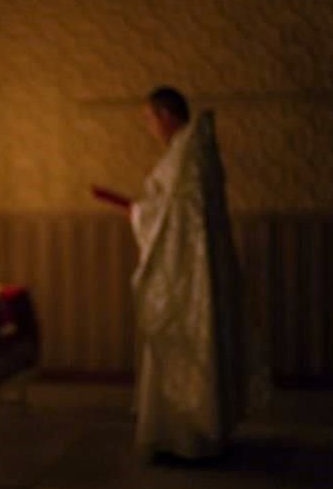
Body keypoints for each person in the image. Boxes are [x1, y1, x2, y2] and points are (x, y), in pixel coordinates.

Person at [96, 87, 240, 460]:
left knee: (184, 340)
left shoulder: (186, 155)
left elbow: (174, 215)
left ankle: (189, 434)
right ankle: (179, 433)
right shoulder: (189, 154)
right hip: (186, 266)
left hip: (185, 271)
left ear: (165, 114)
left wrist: (139, 213)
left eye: (148, 119)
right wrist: (144, 212)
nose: (149, 128)